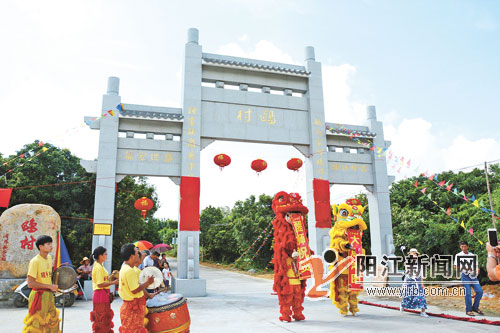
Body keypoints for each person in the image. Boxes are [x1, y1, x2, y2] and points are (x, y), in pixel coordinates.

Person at [22, 235, 60, 332]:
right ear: (41, 247)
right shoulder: (35, 261)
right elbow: (30, 284)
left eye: (51, 244)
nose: (51, 246)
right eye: (48, 244)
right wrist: (49, 286)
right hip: (38, 296)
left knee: (51, 322)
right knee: (37, 324)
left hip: (49, 295)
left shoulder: (50, 258)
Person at [118, 243, 154, 333]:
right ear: (132, 256)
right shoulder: (130, 270)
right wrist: (148, 283)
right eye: (137, 252)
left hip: (130, 306)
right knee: (134, 330)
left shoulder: (126, 268)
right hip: (132, 308)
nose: (139, 255)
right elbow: (134, 290)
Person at [90, 246, 118, 333]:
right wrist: (113, 283)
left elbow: (104, 279)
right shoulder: (98, 267)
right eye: (105, 254)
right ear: (100, 255)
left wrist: (111, 276)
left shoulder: (100, 265)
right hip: (100, 294)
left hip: (103, 294)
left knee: (104, 319)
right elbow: (100, 284)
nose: (106, 256)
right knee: (101, 320)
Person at [454, 240, 483, 316]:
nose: (463, 248)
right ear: (460, 247)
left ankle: (475, 307)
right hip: (465, 276)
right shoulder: (458, 255)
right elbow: (455, 266)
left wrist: (477, 270)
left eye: (465, 246)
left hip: (473, 276)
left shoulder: (472, 255)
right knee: (468, 293)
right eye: (462, 246)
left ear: (467, 246)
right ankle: (469, 310)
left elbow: (476, 266)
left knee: (479, 291)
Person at [400, 248, 429, 317]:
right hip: (409, 281)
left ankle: (423, 312)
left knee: (421, 296)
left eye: (413, 253)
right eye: (410, 254)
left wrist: (422, 283)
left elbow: (421, 274)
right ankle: (403, 305)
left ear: (416, 254)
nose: (412, 255)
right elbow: (407, 272)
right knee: (408, 296)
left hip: (417, 281)